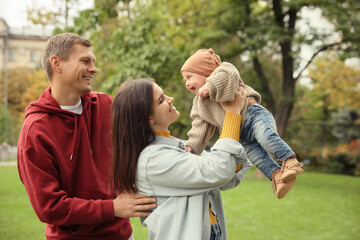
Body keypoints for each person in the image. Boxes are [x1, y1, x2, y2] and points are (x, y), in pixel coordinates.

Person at [17, 33, 156, 240]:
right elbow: (49, 207)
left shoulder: (106, 106)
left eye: (93, 61)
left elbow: (143, 147)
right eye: (85, 61)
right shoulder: (35, 131)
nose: (94, 68)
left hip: (123, 235)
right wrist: (111, 208)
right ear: (56, 63)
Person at [111, 78, 251, 240]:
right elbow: (219, 171)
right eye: (161, 100)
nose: (171, 99)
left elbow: (226, 178)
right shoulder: (153, 160)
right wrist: (232, 114)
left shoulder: (178, 147)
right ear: (149, 117)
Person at [180, 48, 304, 199]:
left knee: (266, 138)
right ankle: (277, 176)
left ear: (205, 71)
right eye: (184, 80)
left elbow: (228, 76)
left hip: (253, 116)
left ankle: (290, 161)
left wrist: (209, 86)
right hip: (240, 134)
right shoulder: (199, 103)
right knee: (256, 157)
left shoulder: (223, 71)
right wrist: (192, 146)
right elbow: (199, 126)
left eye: (189, 77)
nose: (187, 83)